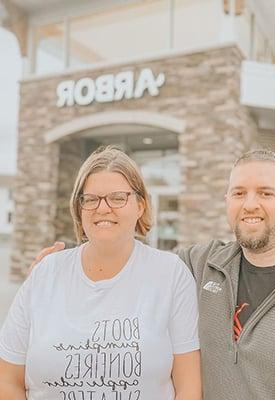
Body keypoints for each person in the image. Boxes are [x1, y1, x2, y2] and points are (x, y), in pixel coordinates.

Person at [16, 149, 275, 399]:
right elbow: (124, 258)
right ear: (227, 201)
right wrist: (54, 272)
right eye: (239, 193)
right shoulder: (198, 267)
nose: (251, 204)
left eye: (266, 193)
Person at [0, 146, 202, 400]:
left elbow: (189, 389)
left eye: (118, 197)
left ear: (140, 205)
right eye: (91, 199)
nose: (103, 208)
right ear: (79, 207)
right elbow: (7, 380)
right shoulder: (45, 274)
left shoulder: (171, 275)